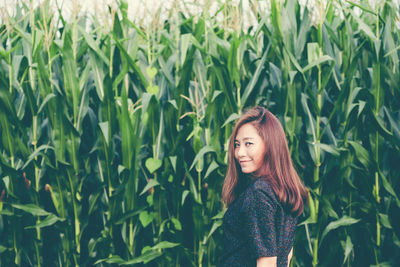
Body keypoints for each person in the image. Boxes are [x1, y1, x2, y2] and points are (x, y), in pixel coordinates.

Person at [220, 106, 308, 267]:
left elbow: (267, 262)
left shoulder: (259, 193)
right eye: (237, 144)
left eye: (249, 144)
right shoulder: (282, 191)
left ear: (270, 145)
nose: (239, 153)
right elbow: (287, 256)